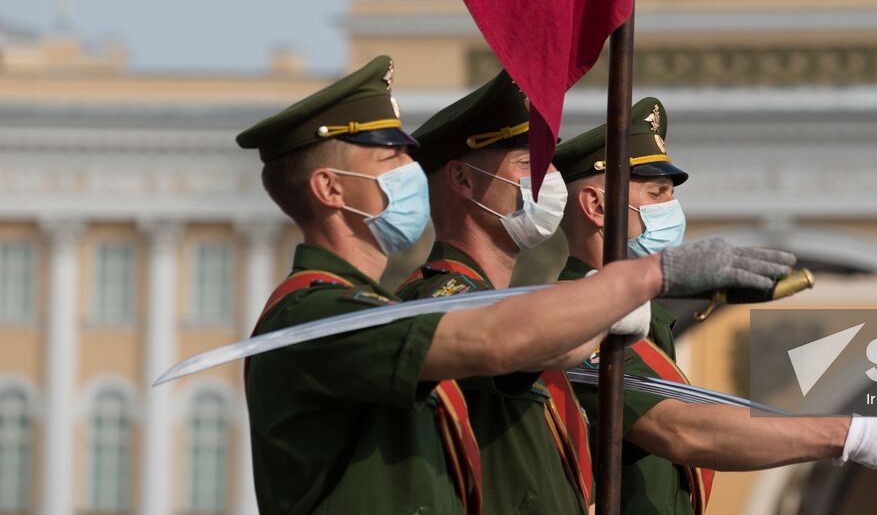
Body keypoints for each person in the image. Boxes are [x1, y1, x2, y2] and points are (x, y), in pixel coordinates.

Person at [236, 57, 797, 515]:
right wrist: (646, 279)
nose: (410, 173)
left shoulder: (379, 312)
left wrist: (618, 303)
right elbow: (497, 340)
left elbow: (532, 341)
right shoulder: (318, 315)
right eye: (391, 159)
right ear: (331, 188)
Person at [553, 97, 877, 513]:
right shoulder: (576, 319)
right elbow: (683, 430)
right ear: (597, 206)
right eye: (657, 193)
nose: (672, 210)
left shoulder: (643, 323)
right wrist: (852, 437)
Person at [398, 70, 633, 515]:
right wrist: (605, 304)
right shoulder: (437, 298)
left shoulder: (506, 305)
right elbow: (507, 341)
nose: (549, 183)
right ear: (463, 181)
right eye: (529, 166)